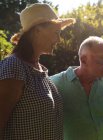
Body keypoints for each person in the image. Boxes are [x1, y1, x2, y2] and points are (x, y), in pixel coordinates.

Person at [0, 3, 75, 139]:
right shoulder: (14, 66)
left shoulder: (40, 70)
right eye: (56, 33)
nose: (58, 39)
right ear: (37, 30)